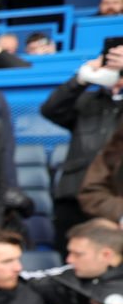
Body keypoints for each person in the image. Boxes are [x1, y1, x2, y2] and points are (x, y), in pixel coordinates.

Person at [44, 43, 123, 238]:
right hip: (74, 191)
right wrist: (81, 79)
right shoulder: (88, 100)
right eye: (110, 59)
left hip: (113, 199)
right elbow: (51, 109)